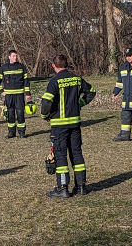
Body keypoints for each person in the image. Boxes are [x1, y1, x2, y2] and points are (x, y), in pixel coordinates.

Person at [41, 54, 96, 198]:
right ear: (66, 65)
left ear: (54, 66)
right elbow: (91, 91)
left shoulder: (54, 82)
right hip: (75, 123)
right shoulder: (77, 79)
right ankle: (81, 186)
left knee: (60, 156)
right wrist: (80, 104)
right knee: (76, 153)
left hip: (59, 126)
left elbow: (46, 103)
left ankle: (63, 188)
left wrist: (45, 116)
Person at [0, 50, 32, 138]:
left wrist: (27, 94)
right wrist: (1, 91)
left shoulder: (21, 67)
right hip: (9, 96)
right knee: (10, 114)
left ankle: (22, 133)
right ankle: (11, 133)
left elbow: (26, 81)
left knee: (20, 114)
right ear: (9, 57)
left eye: (16, 56)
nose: (15, 57)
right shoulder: (3, 68)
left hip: (19, 95)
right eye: (13, 56)